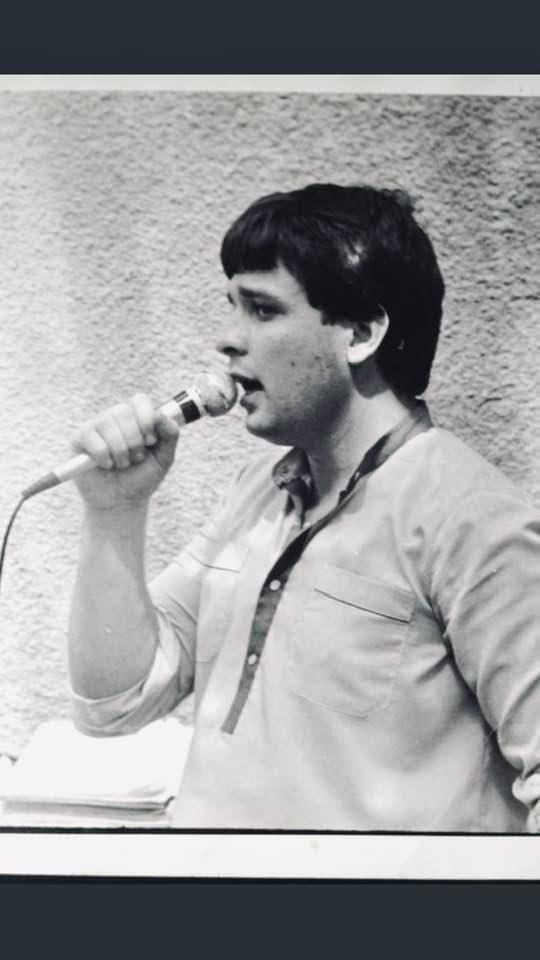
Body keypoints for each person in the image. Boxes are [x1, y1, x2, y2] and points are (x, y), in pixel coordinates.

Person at [68, 183, 540, 831]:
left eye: (263, 310)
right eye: (232, 307)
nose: (227, 341)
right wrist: (115, 513)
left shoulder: (473, 516)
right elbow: (114, 702)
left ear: (362, 333)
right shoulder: (257, 489)